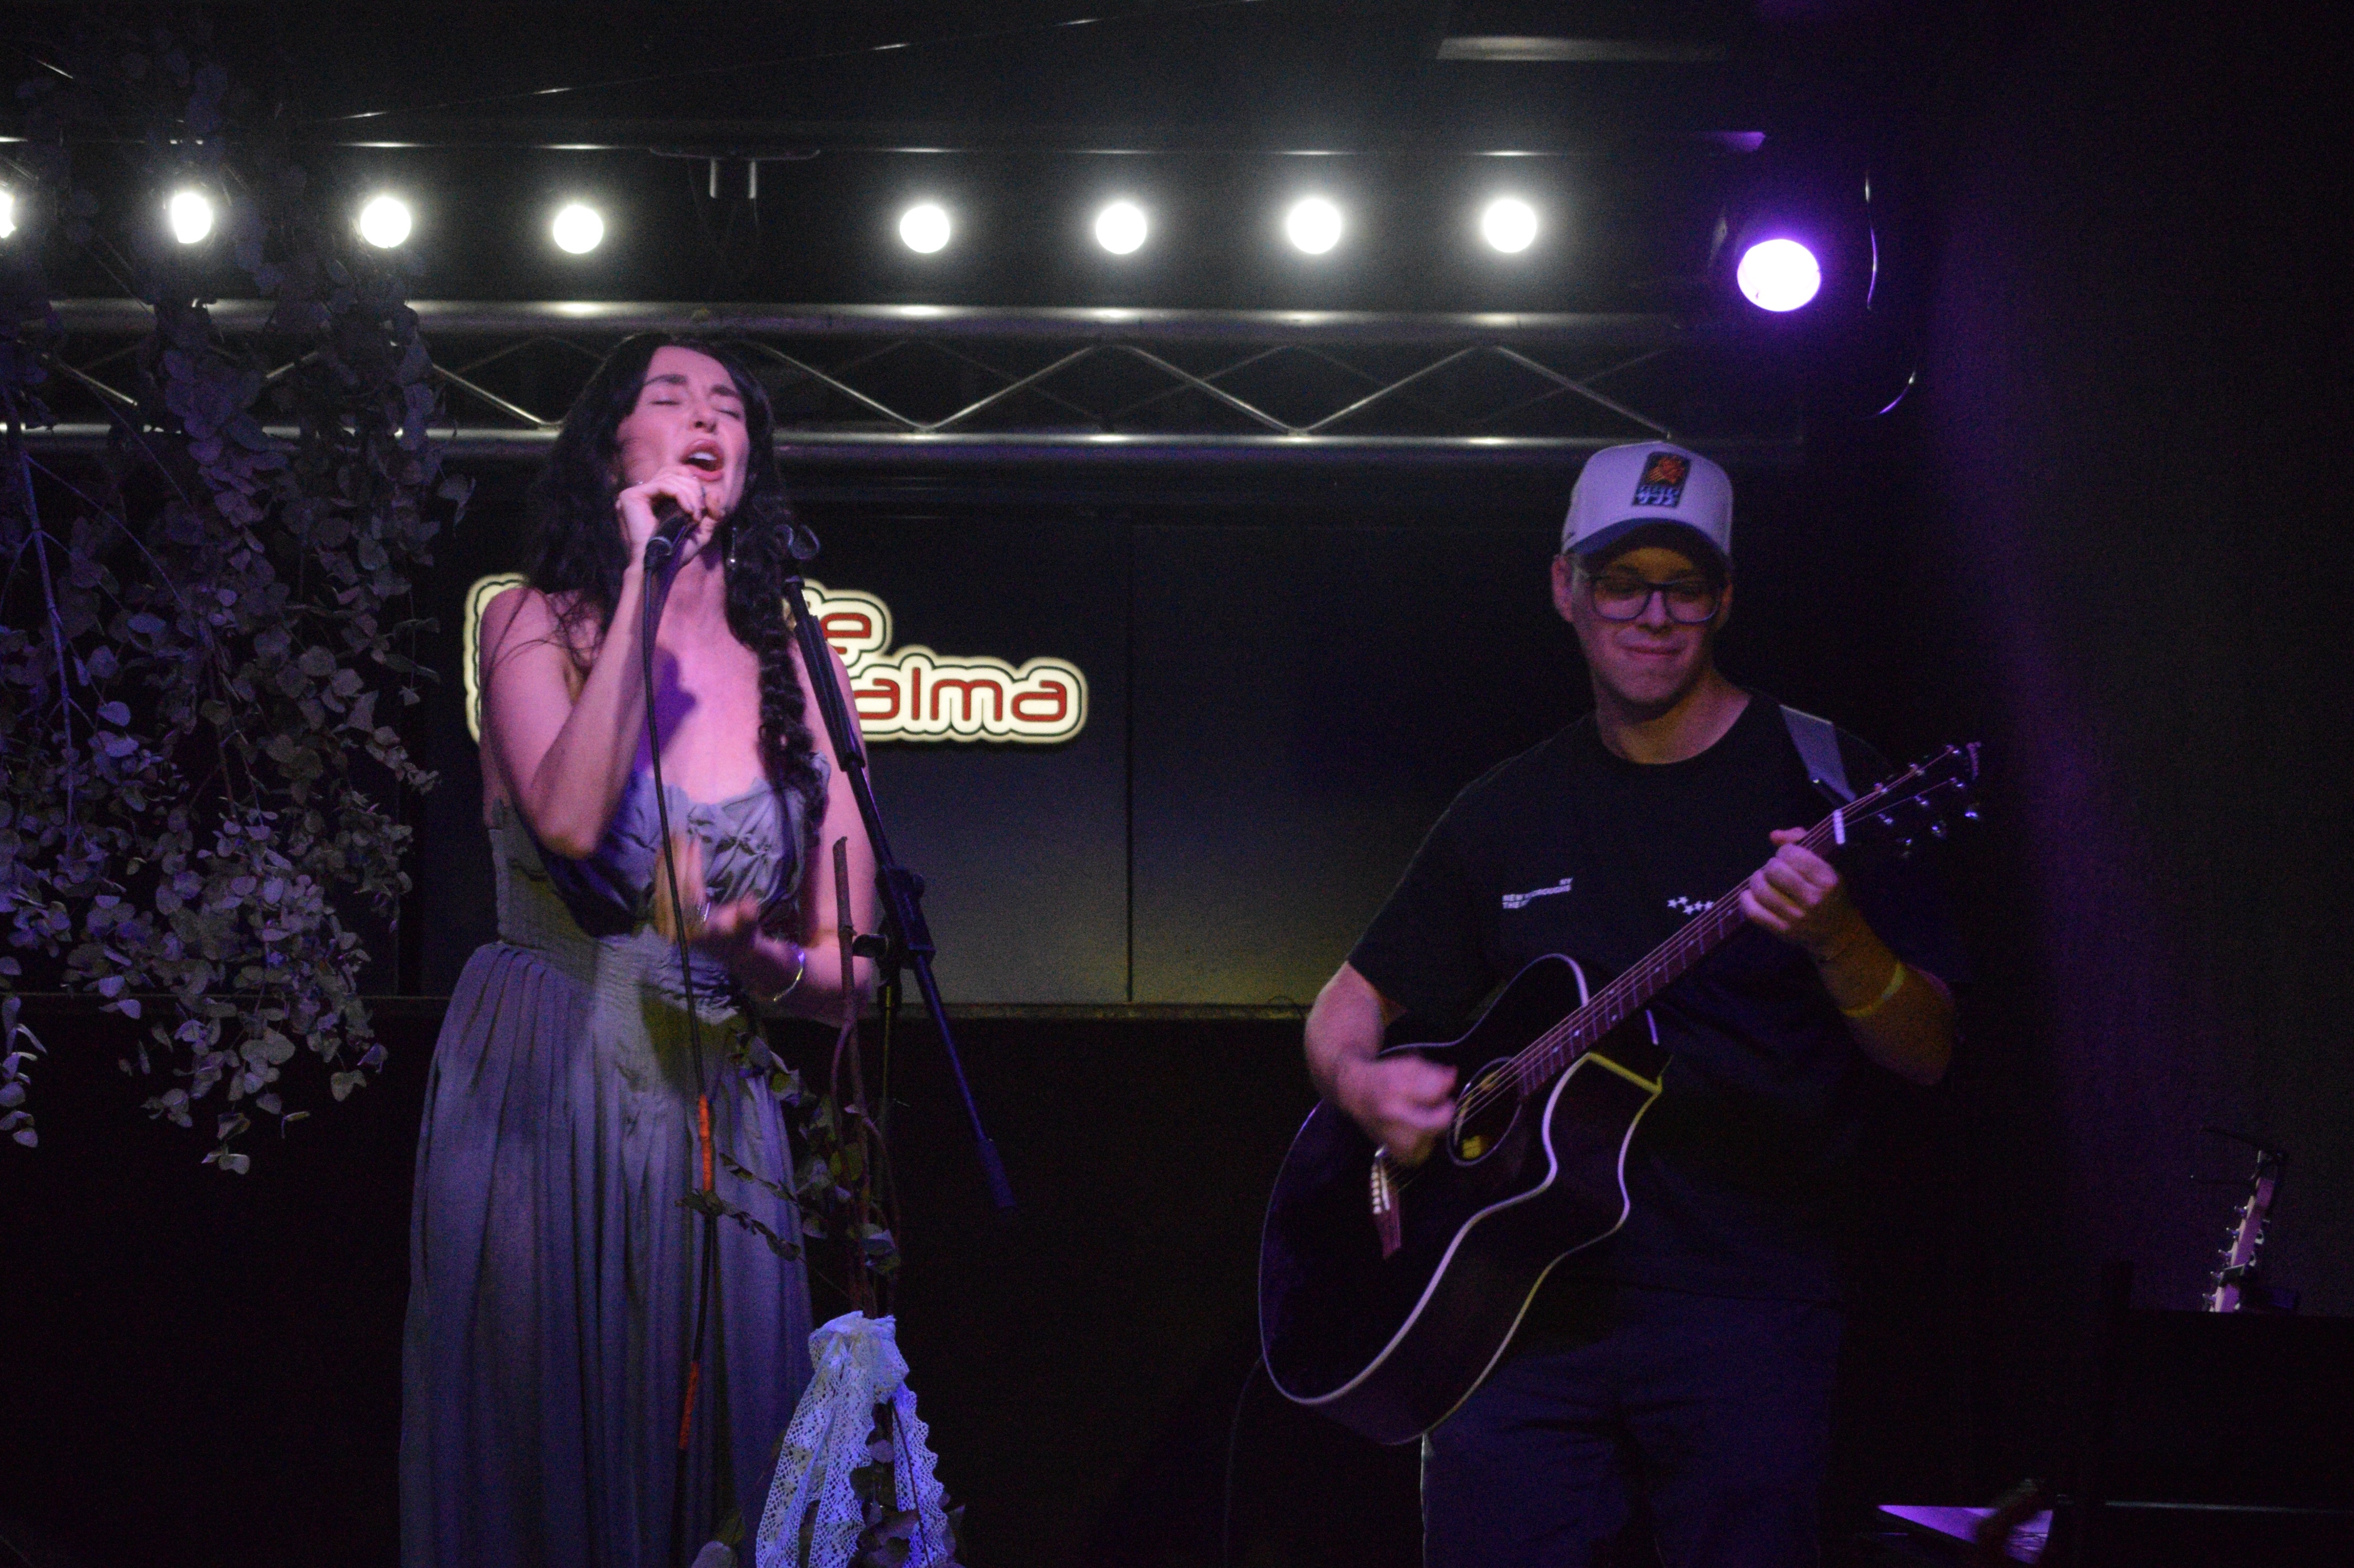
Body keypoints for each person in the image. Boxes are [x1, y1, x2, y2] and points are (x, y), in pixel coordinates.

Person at [1302, 442, 1964, 1567]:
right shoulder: (1504, 808)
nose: (1653, 615)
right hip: (1514, 1315)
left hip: (1746, 1309)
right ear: (1564, 587)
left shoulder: (1825, 777)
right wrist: (1365, 1088)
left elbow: (1930, 1052)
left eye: (1685, 584)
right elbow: (1344, 1004)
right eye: (1621, 581)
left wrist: (1839, 940)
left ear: (1723, 599)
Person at [400, 335, 877, 1566]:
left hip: (715, 1092)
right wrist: (642, 576)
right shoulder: (527, 620)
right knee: (543, 1437)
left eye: (729, 406)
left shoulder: (801, 660)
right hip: (545, 1074)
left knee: (720, 1472)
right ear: (611, 449)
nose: (705, 417)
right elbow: (566, 817)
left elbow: (854, 971)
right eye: (668, 398)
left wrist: (750, 957)